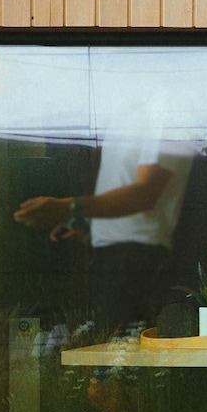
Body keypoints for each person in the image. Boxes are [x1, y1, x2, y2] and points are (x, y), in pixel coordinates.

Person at [14, 121, 193, 336]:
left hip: (138, 257)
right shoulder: (123, 119)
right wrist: (87, 221)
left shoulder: (167, 120)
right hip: (112, 255)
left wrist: (71, 207)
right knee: (108, 344)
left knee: (121, 348)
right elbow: (121, 189)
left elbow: (145, 194)